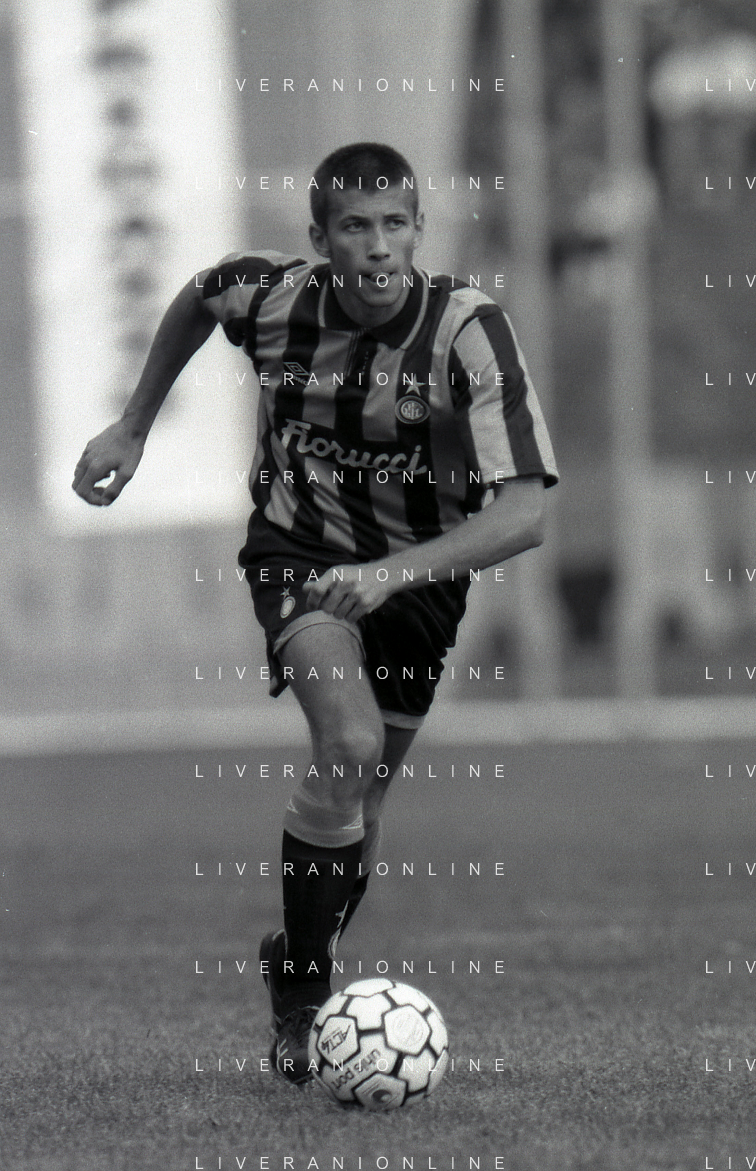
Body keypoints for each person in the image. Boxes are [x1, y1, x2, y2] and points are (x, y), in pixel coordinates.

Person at [73, 142, 558, 1086]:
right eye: (355, 226)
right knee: (349, 743)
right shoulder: (271, 298)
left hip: (419, 580)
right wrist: (132, 425)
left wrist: (389, 577)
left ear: (418, 231)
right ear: (320, 238)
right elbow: (199, 296)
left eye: (394, 224)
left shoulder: (468, 332)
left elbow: (524, 514)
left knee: (362, 799)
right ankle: (305, 1003)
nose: (377, 246)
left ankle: (294, 959)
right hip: (297, 554)